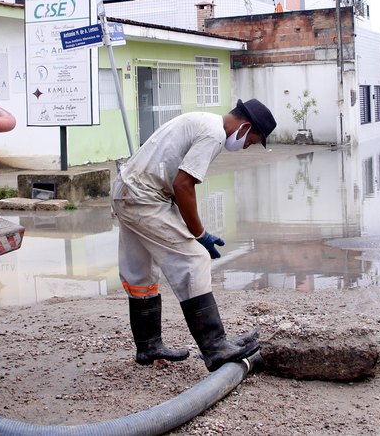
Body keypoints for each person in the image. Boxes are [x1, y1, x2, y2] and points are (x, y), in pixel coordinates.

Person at [113, 98, 276, 371]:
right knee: (195, 259)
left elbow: (174, 176)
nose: (246, 146)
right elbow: (184, 184)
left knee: (139, 271)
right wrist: (199, 234)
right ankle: (215, 347)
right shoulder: (213, 133)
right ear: (245, 126)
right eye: (250, 141)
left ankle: (148, 345)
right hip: (144, 197)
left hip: (127, 191)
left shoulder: (201, 120)